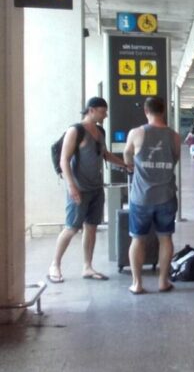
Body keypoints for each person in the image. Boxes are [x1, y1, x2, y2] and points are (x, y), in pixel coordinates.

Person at [48, 97, 128, 284]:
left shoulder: (100, 131)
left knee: (91, 227)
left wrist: (124, 164)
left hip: (96, 188)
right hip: (79, 188)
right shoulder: (75, 130)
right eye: (103, 111)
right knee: (71, 227)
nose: (106, 115)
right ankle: (55, 264)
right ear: (91, 110)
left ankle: (87, 266)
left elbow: (105, 154)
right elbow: (64, 160)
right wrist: (71, 186)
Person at [123, 97, 181, 295]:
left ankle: (137, 283)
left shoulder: (136, 133)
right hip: (166, 196)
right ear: (163, 111)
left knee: (137, 240)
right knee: (166, 238)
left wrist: (132, 165)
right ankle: (163, 281)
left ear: (146, 111)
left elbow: (127, 154)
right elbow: (175, 159)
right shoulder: (174, 136)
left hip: (141, 198)